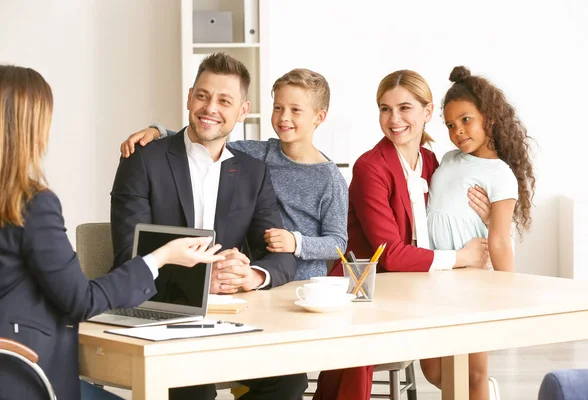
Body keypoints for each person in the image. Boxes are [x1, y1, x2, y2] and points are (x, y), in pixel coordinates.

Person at [0, 65, 225, 400]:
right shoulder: (32, 204)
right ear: (29, 127)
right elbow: (82, 300)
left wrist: (159, 130)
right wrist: (162, 256)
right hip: (26, 377)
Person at [110, 53, 307, 399]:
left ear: (242, 111)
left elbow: (280, 256)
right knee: (192, 387)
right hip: (160, 310)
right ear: (189, 97)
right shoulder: (143, 160)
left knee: (289, 379)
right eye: (202, 95)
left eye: (224, 100)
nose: (210, 108)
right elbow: (130, 255)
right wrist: (201, 278)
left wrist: (254, 275)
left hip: (230, 318)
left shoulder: (252, 172)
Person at [314, 69, 493, 400]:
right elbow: (391, 254)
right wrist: (462, 257)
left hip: (416, 283)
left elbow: (443, 223)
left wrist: (484, 217)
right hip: (369, 286)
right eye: (385, 108)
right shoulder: (371, 166)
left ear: (427, 112)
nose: (393, 118)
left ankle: (476, 387)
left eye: (404, 108)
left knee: (468, 342)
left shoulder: (431, 161)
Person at [120, 68, 348, 280]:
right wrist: (159, 132)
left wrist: (297, 242)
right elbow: (207, 139)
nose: (283, 117)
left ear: (319, 117)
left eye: (295, 110)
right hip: (251, 274)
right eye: (278, 108)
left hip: (306, 281)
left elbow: (339, 242)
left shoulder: (330, 178)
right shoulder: (259, 153)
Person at [420, 65, 535, 400]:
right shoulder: (448, 159)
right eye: (451, 125)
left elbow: (498, 238)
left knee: (472, 371)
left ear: (489, 117)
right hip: (437, 275)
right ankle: (481, 391)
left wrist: (508, 293)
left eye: (466, 120)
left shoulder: (500, 174)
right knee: (434, 369)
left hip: (475, 282)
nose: (458, 131)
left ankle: (481, 390)